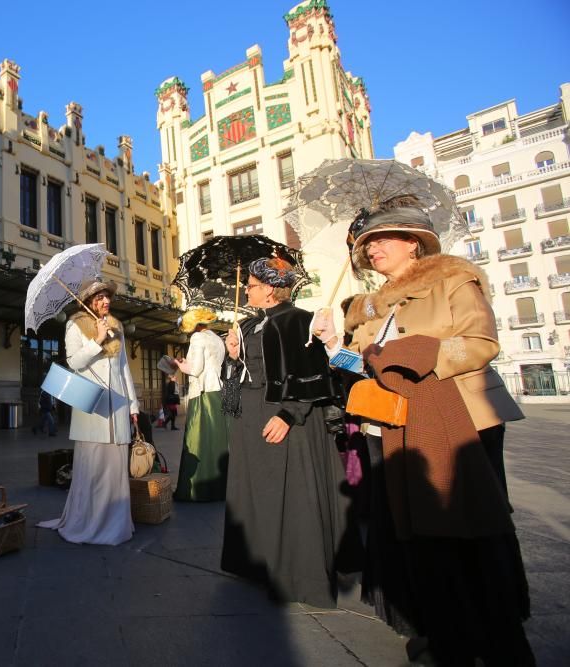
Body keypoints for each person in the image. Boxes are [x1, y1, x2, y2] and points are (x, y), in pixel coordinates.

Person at [311, 196, 533, 665]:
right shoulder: (369, 308)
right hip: (391, 427)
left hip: (463, 419)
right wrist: (335, 345)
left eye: (381, 239)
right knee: (420, 535)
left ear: (413, 243)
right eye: (367, 244)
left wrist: (416, 356)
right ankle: (442, 626)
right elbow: (361, 368)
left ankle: (494, 628)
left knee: (472, 530)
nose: (371, 250)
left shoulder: (452, 278)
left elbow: (480, 342)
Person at [220, 257, 357, 608]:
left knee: (288, 497)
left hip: (283, 423)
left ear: (268, 288)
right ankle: (256, 564)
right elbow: (231, 392)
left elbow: (313, 376)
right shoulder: (248, 327)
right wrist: (233, 357)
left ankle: (297, 574)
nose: (245, 291)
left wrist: (288, 414)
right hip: (248, 424)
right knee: (255, 497)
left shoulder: (299, 321)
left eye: (249, 285)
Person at [38, 278, 138, 546]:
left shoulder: (116, 325)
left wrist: (133, 405)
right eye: (100, 297)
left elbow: (124, 368)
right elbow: (74, 362)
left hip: (117, 406)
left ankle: (115, 524)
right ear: (88, 301)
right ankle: (88, 522)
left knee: (115, 469)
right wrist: (97, 340)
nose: (106, 301)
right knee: (93, 468)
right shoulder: (75, 324)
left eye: (108, 296)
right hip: (91, 407)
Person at [172, 307, 229, 502]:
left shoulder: (197, 338)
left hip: (202, 393)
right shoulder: (216, 338)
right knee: (216, 440)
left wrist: (180, 365)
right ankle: (218, 487)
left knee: (196, 440)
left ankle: (196, 489)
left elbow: (195, 369)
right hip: (217, 391)